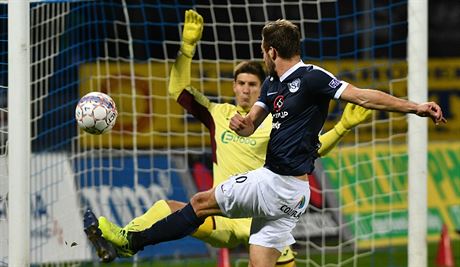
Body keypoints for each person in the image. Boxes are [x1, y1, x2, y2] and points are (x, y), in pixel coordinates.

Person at [86, 12, 446, 267]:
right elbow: (251, 120)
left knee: (198, 202)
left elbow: (365, 95)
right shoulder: (271, 85)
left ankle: (131, 242)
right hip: (293, 194)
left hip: (276, 183)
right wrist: (242, 125)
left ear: (272, 51)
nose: (261, 55)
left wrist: (414, 106)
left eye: (262, 50)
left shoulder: (312, 77)